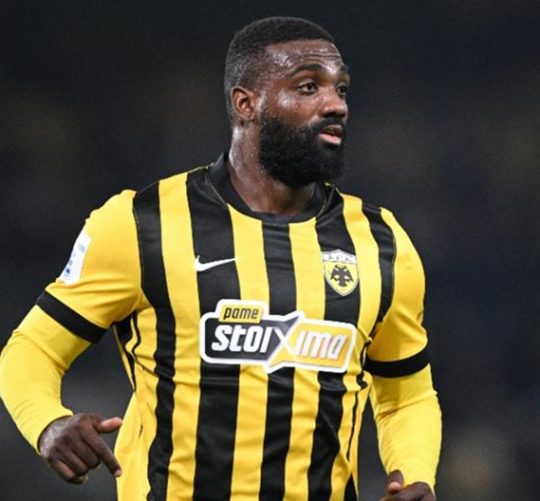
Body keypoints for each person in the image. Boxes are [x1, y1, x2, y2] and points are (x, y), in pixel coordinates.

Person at [0, 16, 441, 501]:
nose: (335, 104)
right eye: (308, 87)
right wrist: (47, 423)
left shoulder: (381, 243)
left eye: (341, 89)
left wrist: (415, 474)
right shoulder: (141, 224)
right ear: (245, 103)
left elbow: (406, 395)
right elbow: (31, 350)